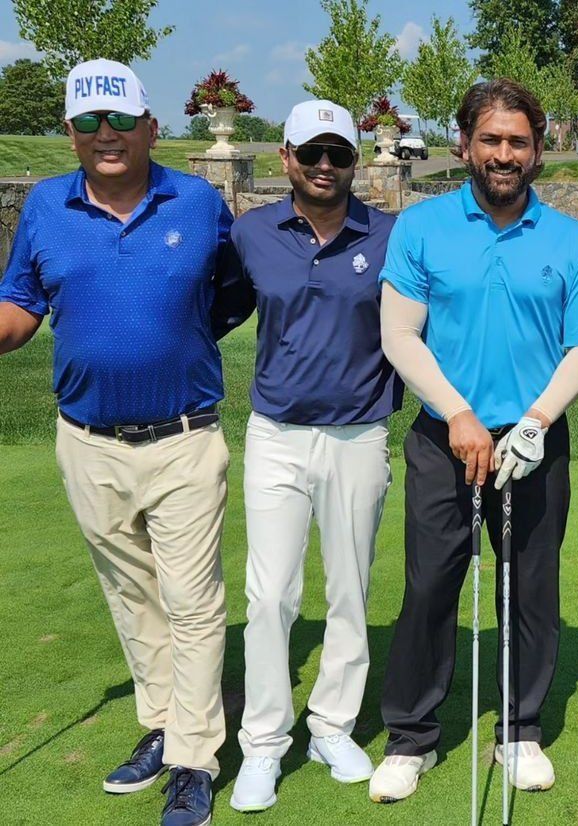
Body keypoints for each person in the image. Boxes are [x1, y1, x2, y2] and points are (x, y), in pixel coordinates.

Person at [0, 59, 234, 826]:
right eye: (90, 123)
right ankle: (164, 729)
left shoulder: (198, 202)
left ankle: (195, 759)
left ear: (150, 127)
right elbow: (20, 308)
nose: (108, 136)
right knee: (134, 598)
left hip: (184, 436)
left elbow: (233, 292)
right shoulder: (43, 206)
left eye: (121, 121)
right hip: (87, 441)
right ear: (70, 131)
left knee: (193, 602)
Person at [368, 78, 578, 803]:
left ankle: (520, 729)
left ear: (538, 151)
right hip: (446, 437)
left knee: (530, 589)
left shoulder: (568, 239)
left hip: (535, 441)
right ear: (465, 144)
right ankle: (411, 736)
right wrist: (458, 415)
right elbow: (399, 334)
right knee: (431, 584)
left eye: (518, 142)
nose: (504, 154)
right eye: (491, 140)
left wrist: (534, 423)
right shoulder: (421, 226)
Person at [214, 100, 402, 812]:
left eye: (339, 155)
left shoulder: (386, 233)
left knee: (350, 590)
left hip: (360, 433)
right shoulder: (252, 232)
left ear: (355, 162)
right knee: (271, 594)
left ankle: (332, 725)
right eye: (311, 153)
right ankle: (264, 742)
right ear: (285, 157)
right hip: (277, 433)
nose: (326, 167)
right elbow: (216, 309)